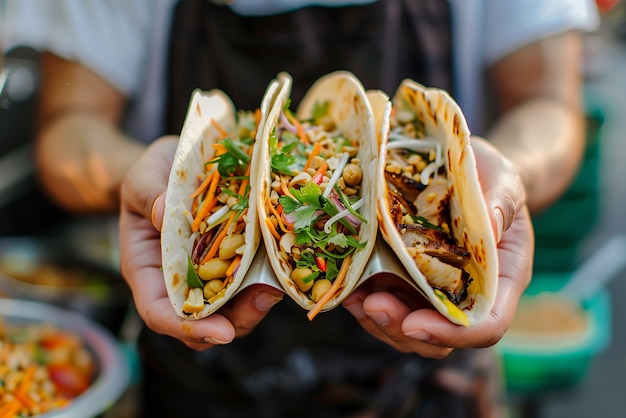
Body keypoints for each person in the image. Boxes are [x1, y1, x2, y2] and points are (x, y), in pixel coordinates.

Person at [1, 1, 600, 417]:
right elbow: (69, 127)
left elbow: (548, 102)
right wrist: (145, 184)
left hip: (427, 385)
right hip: (202, 383)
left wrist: (505, 177)